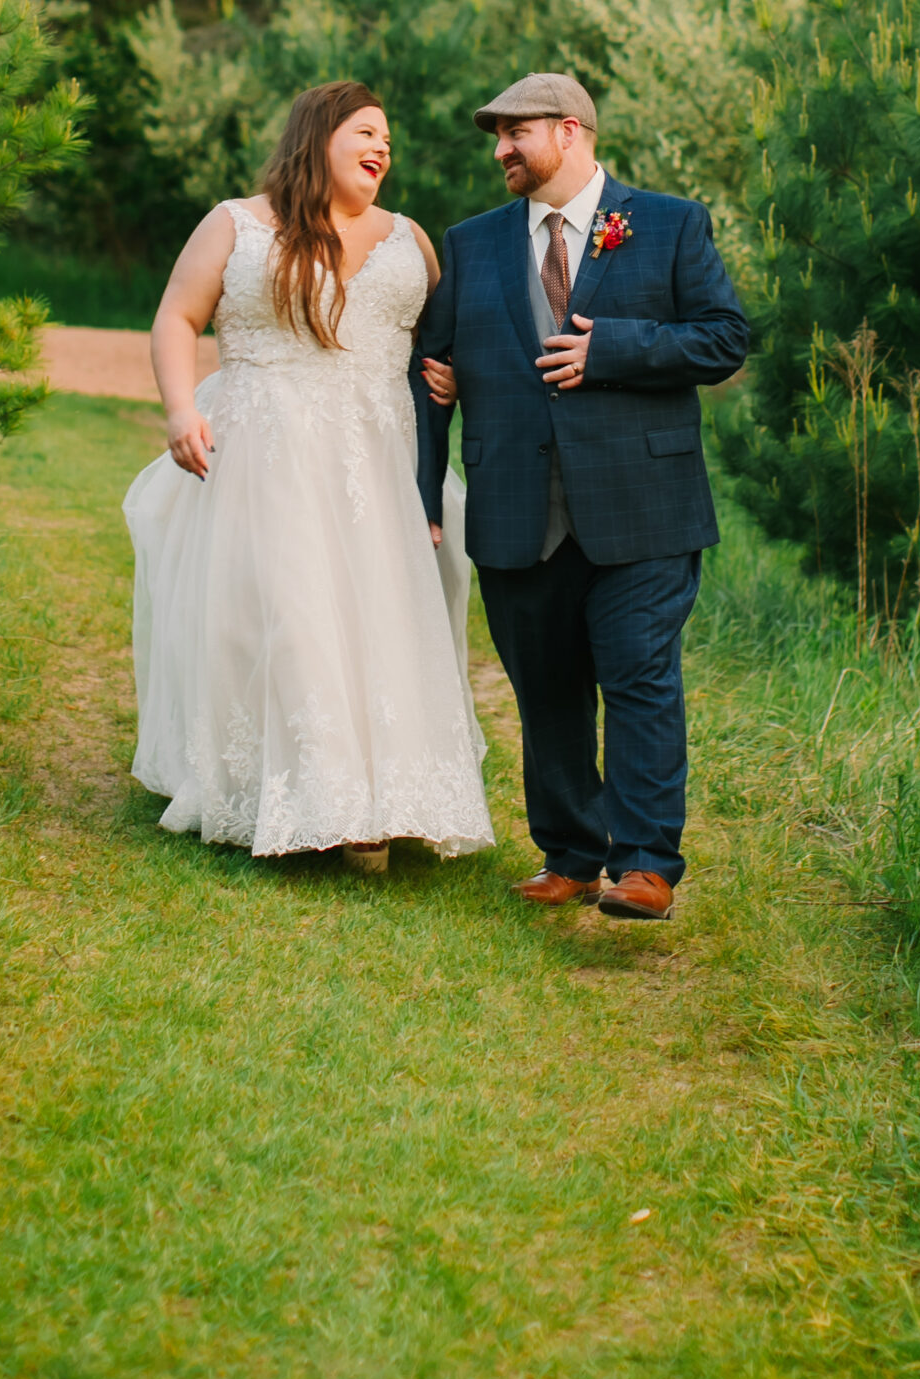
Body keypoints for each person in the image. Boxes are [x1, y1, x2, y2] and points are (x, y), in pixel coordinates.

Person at [124, 80, 493, 873]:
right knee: (288, 613)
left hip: (379, 462)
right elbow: (176, 317)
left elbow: (446, 342)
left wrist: (456, 375)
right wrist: (180, 410)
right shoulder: (236, 224)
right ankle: (311, 795)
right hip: (268, 450)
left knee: (381, 615)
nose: (383, 147)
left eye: (388, 139)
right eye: (367, 131)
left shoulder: (411, 239)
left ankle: (387, 798)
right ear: (318, 136)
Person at [415, 73, 749, 920]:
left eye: (514, 133)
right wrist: (425, 487)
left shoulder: (671, 223)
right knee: (546, 690)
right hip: (515, 506)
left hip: (646, 504)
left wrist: (616, 350)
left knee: (640, 679)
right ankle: (570, 853)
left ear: (569, 131)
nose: (500, 150)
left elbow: (724, 339)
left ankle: (645, 866)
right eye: (496, 137)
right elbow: (430, 368)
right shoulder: (472, 242)